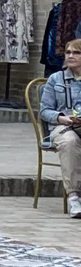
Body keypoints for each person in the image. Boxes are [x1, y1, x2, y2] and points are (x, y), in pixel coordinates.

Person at [41, 38, 81, 218]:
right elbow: (44, 110)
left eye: (76, 52)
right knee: (70, 141)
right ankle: (73, 196)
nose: (71, 56)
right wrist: (62, 118)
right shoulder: (55, 79)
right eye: (68, 52)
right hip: (62, 126)